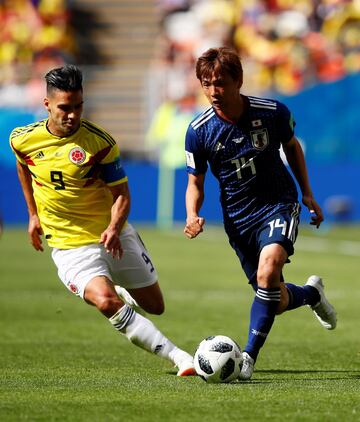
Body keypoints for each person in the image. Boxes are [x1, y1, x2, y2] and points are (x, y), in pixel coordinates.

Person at [10, 64, 195, 377]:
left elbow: (122, 194)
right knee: (104, 300)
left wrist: (112, 228)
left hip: (114, 236)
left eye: (78, 107)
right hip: (69, 245)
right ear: (47, 105)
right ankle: (181, 358)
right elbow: (23, 168)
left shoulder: (100, 143)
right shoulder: (22, 139)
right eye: (64, 108)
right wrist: (33, 215)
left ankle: (122, 291)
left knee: (155, 306)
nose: (72, 115)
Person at [183, 47, 337, 380]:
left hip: (278, 203)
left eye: (220, 83)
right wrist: (191, 214)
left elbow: (292, 147)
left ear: (238, 80)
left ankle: (248, 358)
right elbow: (195, 181)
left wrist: (307, 193)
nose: (213, 92)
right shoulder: (199, 130)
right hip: (238, 220)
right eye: (206, 84)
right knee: (274, 299)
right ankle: (312, 294)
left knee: (269, 273)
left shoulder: (272, 113)